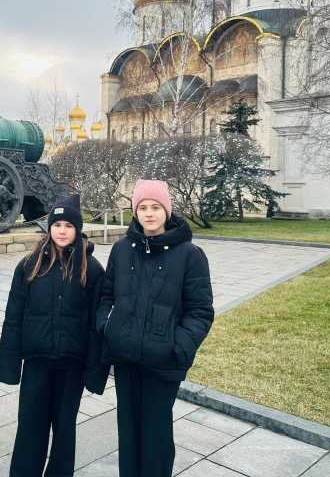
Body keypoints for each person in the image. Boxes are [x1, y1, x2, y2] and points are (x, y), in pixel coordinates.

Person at [96, 180, 214, 477]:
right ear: (135, 212)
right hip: (126, 358)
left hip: (163, 361)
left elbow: (200, 312)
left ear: (167, 211)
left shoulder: (190, 255)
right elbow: (106, 296)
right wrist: (108, 327)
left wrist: (178, 347)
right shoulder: (122, 249)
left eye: (156, 207)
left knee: (156, 435)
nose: (149, 213)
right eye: (143, 207)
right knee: (128, 432)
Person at [0, 194, 107, 477]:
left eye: (68, 225)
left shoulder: (92, 269)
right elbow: (14, 317)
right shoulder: (29, 265)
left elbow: (97, 326)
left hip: (72, 365)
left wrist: (94, 371)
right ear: (49, 228)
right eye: (57, 225)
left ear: (77, 229)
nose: (62, 231)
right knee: (30, 427)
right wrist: (9, 366)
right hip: (37, 362)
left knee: (64, 429)